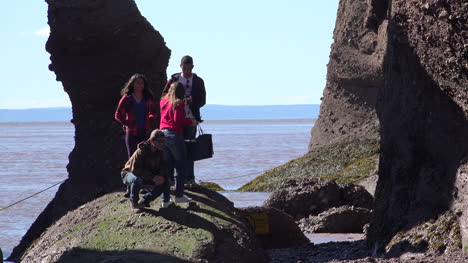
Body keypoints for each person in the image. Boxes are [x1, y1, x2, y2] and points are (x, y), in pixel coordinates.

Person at [163, 55, 206, 186]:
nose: (187, 71)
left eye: (189, 68)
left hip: (191, 118)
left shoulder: (198, 81)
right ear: (180, 66)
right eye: (185, 68)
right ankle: (175, 179)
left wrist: (193, 101)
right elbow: (164, 96)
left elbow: (203, 100)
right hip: (175, 119)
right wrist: (177, 101)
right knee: (175, 150)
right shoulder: (174, 79)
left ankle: (190, 179)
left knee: (190, 148)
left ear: (193, 67)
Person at [160, 82, 197, 203]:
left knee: (167, 167)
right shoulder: (179, 103)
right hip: (174, 135)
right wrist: (191, 122)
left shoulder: (163, 102)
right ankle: (179, 195)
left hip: (162, 135)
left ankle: (165, 199)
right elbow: (177, 120)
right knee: (181, 166)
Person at [121, 129, 171, 209]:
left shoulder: (160, 152)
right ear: (151, 141)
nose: (162, 144)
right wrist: (152, 177)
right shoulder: (141, 151)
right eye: (159, 141)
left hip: (146, 175)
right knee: (137, 179)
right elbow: (135, 171)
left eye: (163, 141)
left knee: (165, 181)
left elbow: (163, 167)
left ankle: (145, 200)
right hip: (129, 174)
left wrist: (161, 176)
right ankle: (134, 202)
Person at [115, 73, 157, 158]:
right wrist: (127, 123)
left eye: (142, 83)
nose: (140, 85)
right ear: (132, 84)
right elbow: (118, 114)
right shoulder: (127, 98)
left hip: (145, 132)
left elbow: (154, 112)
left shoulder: (147, 98)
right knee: (132, 157)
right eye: (137, 83)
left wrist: (150, 121)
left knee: (145, 156)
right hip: (132, 133)